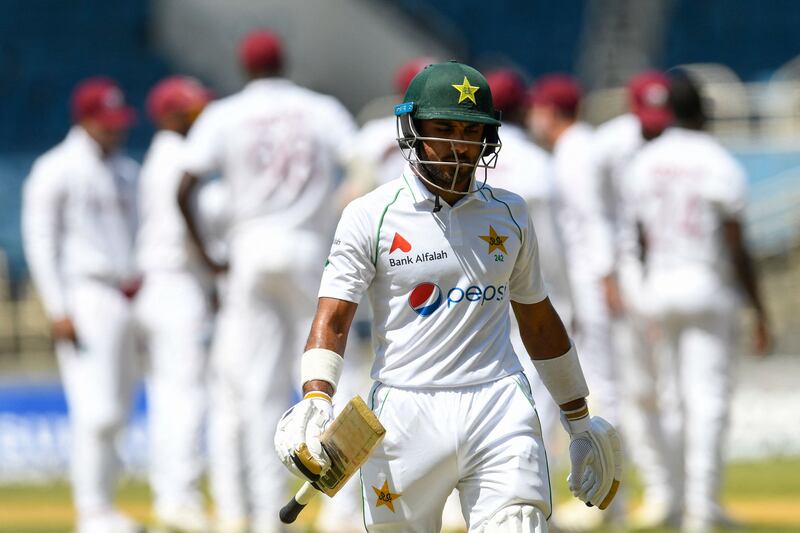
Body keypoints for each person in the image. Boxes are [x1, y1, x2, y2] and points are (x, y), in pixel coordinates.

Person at [274, 61, 622, 533]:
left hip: (498, 403)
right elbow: (333, 317)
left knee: (520, 524)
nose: (459, 143)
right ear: (413, 130)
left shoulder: (511, 214)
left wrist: (579, 419)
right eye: (443, 128)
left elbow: (538, 319)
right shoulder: (368, 215)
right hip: (403, 411)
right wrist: (316, 398)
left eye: (471, 130)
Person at [177, 29, 357, 533]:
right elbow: (361, 164)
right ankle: (341, 513)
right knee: (335, 377)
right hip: (309, 248)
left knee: (257, 392)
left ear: (244, 67)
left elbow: (184, 186)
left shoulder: (223, 114)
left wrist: (209, 257)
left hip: (250, 250)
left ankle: (265, 517)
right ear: (286, 62)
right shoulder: (321, 109)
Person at [627, 72, 771, 533]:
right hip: (705, 285)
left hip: (659, 287)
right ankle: (701, 507)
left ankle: (674, 497)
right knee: (707, 401)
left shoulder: (645, 161)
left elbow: (639, 238)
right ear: (705, 110)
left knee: (670, 400)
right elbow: (735, 243)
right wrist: (759, 308)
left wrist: (644, 290)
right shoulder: (717, 161)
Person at [22, 77, 142, 533]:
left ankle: (104, 505)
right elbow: (40, 241)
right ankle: (91, 510)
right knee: (96, 408)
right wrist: (57, 307)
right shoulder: (55, 167)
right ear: (86, 120)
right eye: (107, 122)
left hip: (126, 294)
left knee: (120, 407)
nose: (117, 130)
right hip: (84, 292)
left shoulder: (126, 170)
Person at [592, 70, 676, 527]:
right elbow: (596, 216)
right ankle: (638, 492)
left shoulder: (679, 146)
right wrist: (606, 275)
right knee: (633, 391)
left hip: (668, 275)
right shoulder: (609, 146)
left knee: (666, 392)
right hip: (627, 277)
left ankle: (671, 490)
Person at [135, 76, 214, 533]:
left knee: (169, 397)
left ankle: (170, 497)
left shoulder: (160, 155)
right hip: (178, 284)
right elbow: (192, 228)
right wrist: (214, 266)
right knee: (186, 397)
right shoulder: (178, 157)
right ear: (170, 113)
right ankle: (180, 499)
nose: (199, 117)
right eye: (191, 109)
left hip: (161, 285)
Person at [483, 68, 573, 459]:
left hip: (476, 290)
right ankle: (532, 490)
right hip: (531, 291)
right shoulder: (536, 162)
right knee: (538, 383)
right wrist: (566, 299)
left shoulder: (467, 161)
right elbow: (551, 247)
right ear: (523, 109)